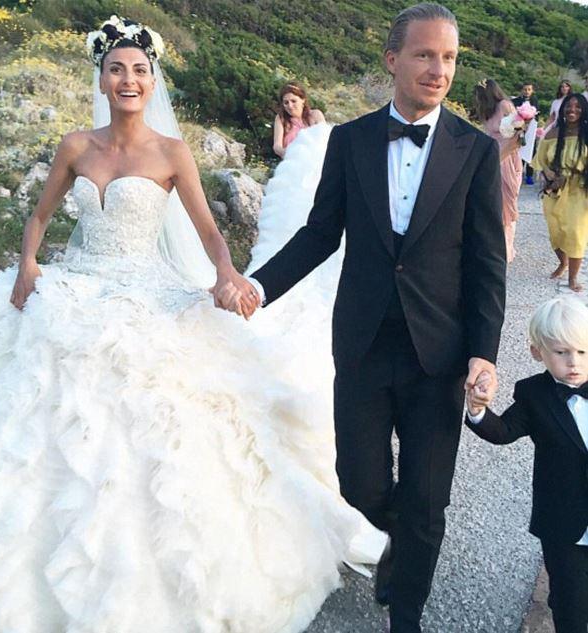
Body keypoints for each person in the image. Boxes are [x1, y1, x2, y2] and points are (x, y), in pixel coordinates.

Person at [0, 16, 385, 633]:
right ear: (100, 79)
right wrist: (26, 264)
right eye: (116, 70)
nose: (128, 80)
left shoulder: (172, 152)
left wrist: (225, 274)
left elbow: (209, 230)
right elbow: (41, 216)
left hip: (144, 285)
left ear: (153, 82)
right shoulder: (75, 145)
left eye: (139, 70)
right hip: (76, 281)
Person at [218, 4, 506, 632]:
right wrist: (258, 288)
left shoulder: (475, 152)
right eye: (425, 54)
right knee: (362, 487)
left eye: (449, 57)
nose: (439, 69)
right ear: (392, 60)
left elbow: (488, 264)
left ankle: (407, 610)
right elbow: (321, 233)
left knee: (429, 501)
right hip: (364, 343)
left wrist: (484, 350)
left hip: (441, 352)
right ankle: (396, 544)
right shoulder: (348, 141)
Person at [465, 296, 588, 633]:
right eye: (561, 352)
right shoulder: (534, 395)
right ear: (538, 353)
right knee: (570, 601)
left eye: (582, 351)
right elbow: (504, 431)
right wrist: (477, 411)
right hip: (564, 522)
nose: (573, 362)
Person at [532, 93, 588, 292]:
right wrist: (550, 176)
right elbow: (540, 160)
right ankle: (562, 263)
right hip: (553, 189)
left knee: (575, 232)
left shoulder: (586, 134)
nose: (572, 110)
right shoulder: (553, 133)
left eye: (578, 107)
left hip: (579, 190)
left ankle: (573, 277)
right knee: (555, 232)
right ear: (562, 109)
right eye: (569, 106)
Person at [473, 78, 523, 262]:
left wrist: (505, 152)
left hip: (507, 157)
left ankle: (507, 248)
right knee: (494, 201)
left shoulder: (504, 105)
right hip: (492, 155)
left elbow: (518, 133)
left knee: (507, 202)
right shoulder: (485, 110)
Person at [272, 82, 326, 158]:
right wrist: (288, 154)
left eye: (293, 101)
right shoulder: (281, 118)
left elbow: (325, 140)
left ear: (303, 99)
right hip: (292, 162)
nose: (290, 106)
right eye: (286, 103)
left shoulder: (316, 115)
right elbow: (277, 146)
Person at [513, 82, 540, 184]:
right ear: (522, 90)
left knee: (531, 150)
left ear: (532, 91)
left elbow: (537, 113)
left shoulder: (534, 101)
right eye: (525, 89)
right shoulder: (516, 101)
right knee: (519, 150)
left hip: (531, 129)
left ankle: (529, 175)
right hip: (519, 128)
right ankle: (518, 173)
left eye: (529, 89)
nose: (527, 91)